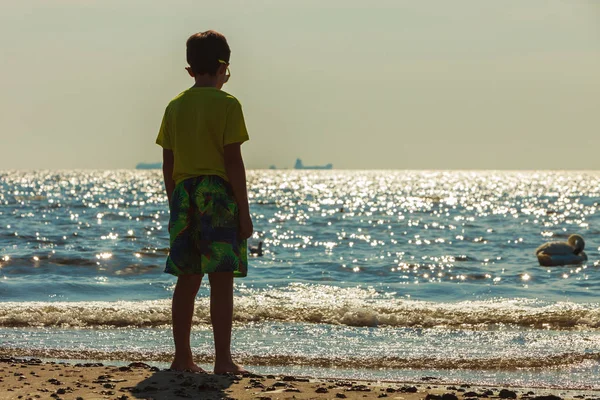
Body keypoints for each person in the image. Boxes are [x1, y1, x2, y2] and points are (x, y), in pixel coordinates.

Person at [155, 30, 253, 374]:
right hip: (217, 194)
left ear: (189, 69)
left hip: (183, 192)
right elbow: (232, 161)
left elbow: (168, 161)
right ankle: (223, 361)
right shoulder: (228, 105)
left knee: (187, 279)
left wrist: (174, 202)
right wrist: (244, 210)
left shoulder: (175, 105)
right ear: (223, 67)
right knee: (221, 280)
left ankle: (182, 358)